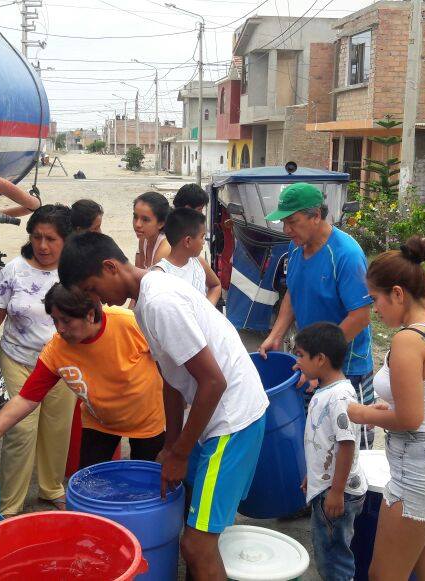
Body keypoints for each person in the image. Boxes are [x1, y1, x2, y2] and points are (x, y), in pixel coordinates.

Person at [59, 232, 269, 581]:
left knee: (197, 546)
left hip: (232, 420)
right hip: (214, 414)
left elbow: (213, 382)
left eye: (92, 290)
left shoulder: (160, 303)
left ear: (110, 267)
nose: (98, 302)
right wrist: (171, 444)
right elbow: (171, 378)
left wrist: (180, 453)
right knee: (192, 519)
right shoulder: (145, 298)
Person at [345, 237, 425, 581]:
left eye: (375, 299)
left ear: (397, 293)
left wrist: (361, 413)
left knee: (383, 574)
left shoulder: (408, 339)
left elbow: (410, 418)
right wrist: (387, 407)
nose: (375, 310)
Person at [0, 284, 166, 468]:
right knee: (90, 483)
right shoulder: (57, 350)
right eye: (55, 320)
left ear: (90, 315)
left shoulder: (130, 323)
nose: (60, 329)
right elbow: (26, 399)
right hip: (100, 423)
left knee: (148, 484)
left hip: (147, 421)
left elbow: (171, 364)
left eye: (66, 321)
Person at [0, 203, 75, 516]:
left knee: (57, 431)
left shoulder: (75, 271)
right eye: (37, 237)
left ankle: (52, 487)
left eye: (51, 239)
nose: (42, 245)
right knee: (19, 432)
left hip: (61, 365)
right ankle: (10, 504)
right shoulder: (14, 269)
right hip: (18, 360)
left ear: (66, 240)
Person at [258, 182, 375, 448]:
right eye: (284, 223)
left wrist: (320, 361)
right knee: (318, 443)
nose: (286, 230)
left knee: (352, 446)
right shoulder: (296, 247)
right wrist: (276, 335)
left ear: (317, 216)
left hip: (347, 368)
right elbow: (293, 292)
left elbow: (360, 316)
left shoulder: (346, 255)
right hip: (313, 363)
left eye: (293, 222)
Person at [294, 322, 369, 581]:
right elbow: (324, 443)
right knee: (328, 550)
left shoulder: (338, 397)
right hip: (329, 486)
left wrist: (336, 492)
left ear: (320, 359)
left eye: (301, 355)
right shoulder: (326, 390)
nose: (297, 362)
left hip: (338, 493)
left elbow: (347, 444)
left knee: (333, 559)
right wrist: (314, 475)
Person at [153, 207, 222, 305]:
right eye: (202, 237)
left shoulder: (199, 262)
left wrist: (207, 309)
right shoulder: (160, 274)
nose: (203, 242)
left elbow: (215, 286)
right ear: (188, 241)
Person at [133, 191, 172, 269]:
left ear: (161, 223)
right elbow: (139, 270)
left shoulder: (164, 249)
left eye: (145, 220)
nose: (137, 224)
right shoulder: (144, 239)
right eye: (135, 217)